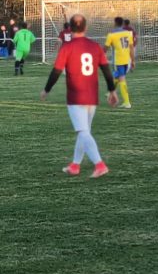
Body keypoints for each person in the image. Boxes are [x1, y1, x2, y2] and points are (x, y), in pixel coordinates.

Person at [40, 14, 118, 178]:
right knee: (84, 131)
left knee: (83, 131)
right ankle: (75, 165)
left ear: (70, 28)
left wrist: (47, 89)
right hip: (92, 96)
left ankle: (100, 164)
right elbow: (106, 70)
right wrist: (112, 91)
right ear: (86, 27)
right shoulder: (95, 46)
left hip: (76, 97)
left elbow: (56, 71)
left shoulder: (67, 48)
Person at [104, 17, 135, 108]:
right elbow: (131, 48)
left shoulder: (111, 35)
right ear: (122, 24)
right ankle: (110, 93)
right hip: (127, 60)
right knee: (117, 76)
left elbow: (105, 49)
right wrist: (133, 60)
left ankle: (127, 102)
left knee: (121, 79)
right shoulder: (128, 33)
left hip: (119, 61)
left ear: (115, 23)